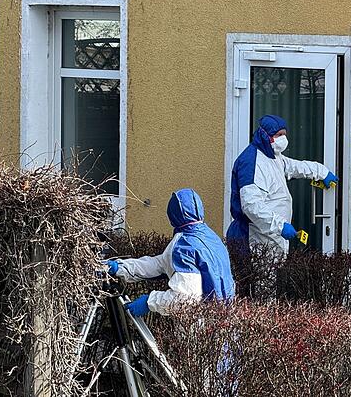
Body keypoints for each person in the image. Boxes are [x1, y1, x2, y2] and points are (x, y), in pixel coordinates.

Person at [105, 188, 235, 316]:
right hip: (225, 317)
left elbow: (184, 299)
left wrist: (150, 302)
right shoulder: (211, 238)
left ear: (172, 216)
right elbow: (160, 264)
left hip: (201, 321)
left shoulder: (184, 246)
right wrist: (120, 267)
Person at [226, 114, 338, 256]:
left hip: (271, 235)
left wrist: (321, 172)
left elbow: (293, 166)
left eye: (284, 134)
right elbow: (251, 205)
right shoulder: (251, 163)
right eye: (279, 135)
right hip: (254, 237)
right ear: (265, 135)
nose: (283, 139)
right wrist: (280, 225)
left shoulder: (273, 156)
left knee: (272, 270)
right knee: (258, 271)